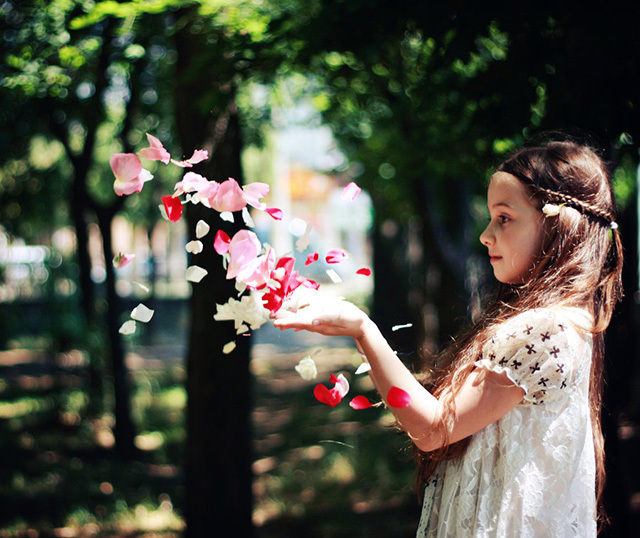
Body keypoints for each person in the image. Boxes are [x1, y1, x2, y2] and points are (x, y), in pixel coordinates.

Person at [274, 139, 623, 537]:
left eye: (504, 218)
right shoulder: (563, 323)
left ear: (558, 226)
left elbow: (434, 429)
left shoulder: (547, 331)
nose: (486, 235)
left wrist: (363, 330)